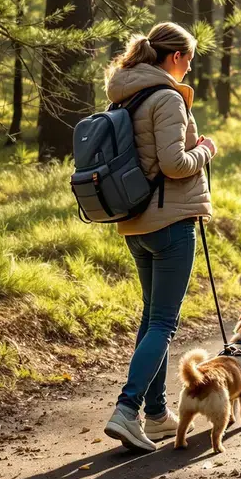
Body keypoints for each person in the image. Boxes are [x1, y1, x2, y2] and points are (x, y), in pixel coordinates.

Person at [101, 22, 218, 452]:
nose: (190, 68)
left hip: (135, 221)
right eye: (190, 60)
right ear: (176, 58)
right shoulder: (166, 96)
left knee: (153, 320)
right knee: (164, 323)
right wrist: (205, 150)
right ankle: (126, 410)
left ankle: (155, 414)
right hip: (169, 222)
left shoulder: (127, 95)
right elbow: (173, 163)